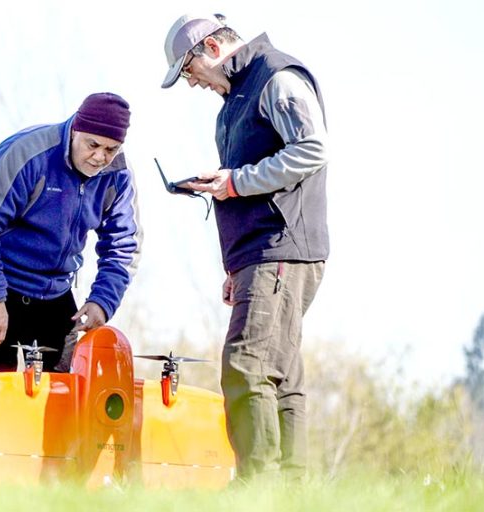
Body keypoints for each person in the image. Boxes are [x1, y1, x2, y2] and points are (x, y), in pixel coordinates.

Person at [161, 14, 329, 482]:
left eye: (189, 72)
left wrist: (235, 181)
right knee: (279, 373)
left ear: (210, 49)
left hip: (281, 249)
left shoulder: (278, 78)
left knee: (245, 365)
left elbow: (312, 149)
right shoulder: (236, 98)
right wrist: (235, 265)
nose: (192, 84)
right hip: (261, 255)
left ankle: (260, 486)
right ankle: (291, 489)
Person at [0, 93, 142, 376]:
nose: (100, 157)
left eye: (111, 149)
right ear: (76, 129)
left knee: (61, 391)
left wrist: (102, 302)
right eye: (93, 145)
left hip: (53, 291)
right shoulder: (29, 153)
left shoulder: (119, 174)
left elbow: (123, 246)